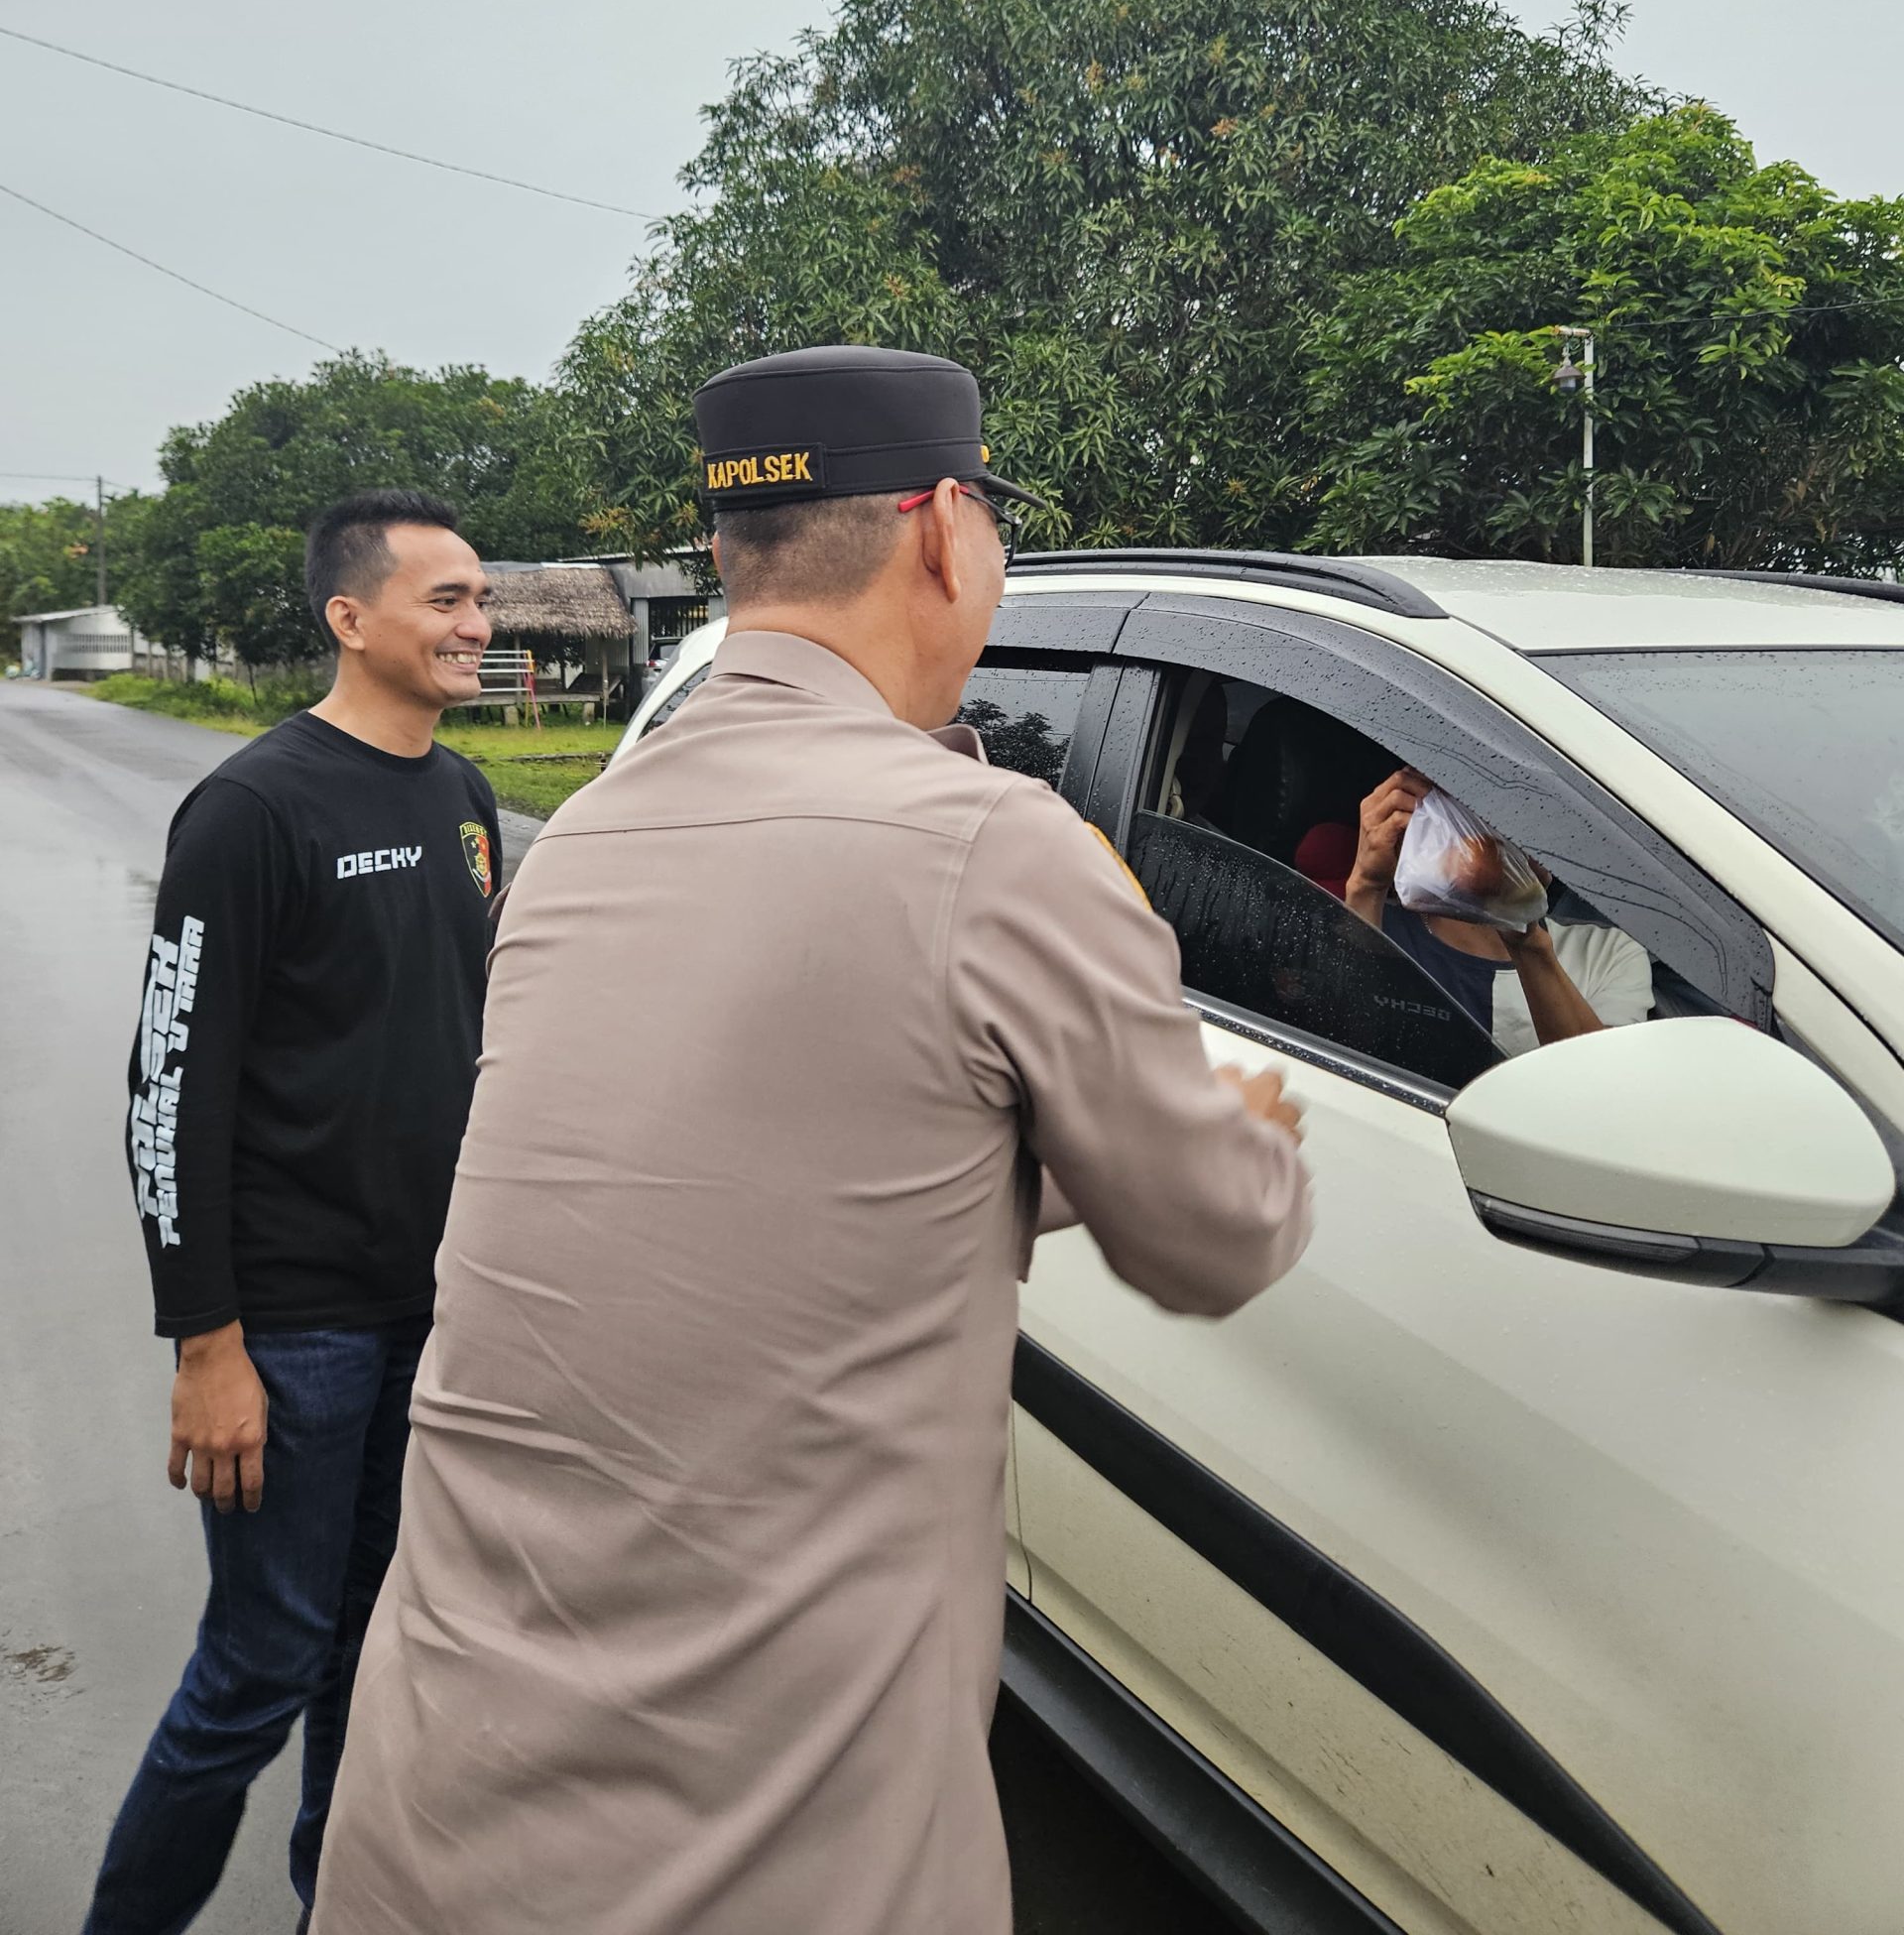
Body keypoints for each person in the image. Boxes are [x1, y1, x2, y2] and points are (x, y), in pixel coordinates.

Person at [312, 345, 1311, 1935]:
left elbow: (789, 1178)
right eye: (993, 517)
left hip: (435, 1817)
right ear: (941, 532)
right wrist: (1239, 1125)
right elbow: (1214, 1234)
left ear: (723, 554)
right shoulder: (989, 843)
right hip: (761, 1860)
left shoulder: (576, 847)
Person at [85, 488, 502, 1935]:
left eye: (480, 598)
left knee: (372, 1660)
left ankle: (338, 1903)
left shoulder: (460, 799)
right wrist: (208, 1341)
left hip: (426, 1316)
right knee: (256, 1671)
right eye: (446, 600)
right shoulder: (254, 809)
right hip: (295, 1334)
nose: (479, 624)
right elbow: (168, 1092)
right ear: (351, 618)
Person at [1346, 768, 1652, 1054]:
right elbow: (1338, 1030)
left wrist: (1523, 931)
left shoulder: (1607, 953)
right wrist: (1365, 886)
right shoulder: (1375, 926)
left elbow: (1600, 1088)